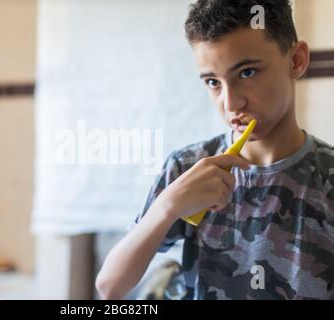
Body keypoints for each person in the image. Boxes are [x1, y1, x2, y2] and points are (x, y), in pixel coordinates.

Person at [96, 0, 334, 300]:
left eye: (247, 73)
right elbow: (110, 287)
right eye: (213, 82)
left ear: (296, 60)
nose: (231, 104)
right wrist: (167, 208)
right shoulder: (187, 167)